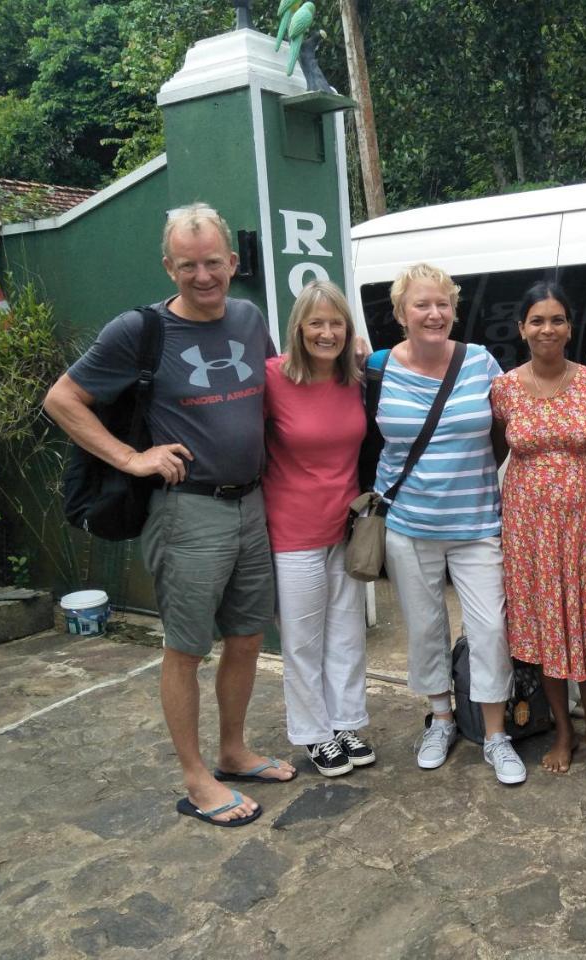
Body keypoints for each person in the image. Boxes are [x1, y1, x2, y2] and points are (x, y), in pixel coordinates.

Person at [44, 203, 294, 828]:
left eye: (213, 263)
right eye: (188, 266)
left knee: (246, 637)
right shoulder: (138, 331)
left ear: (233, 263)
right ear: (169, 266)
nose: (203, 276)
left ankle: (233, 750)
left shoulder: (248, 316)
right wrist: (131, 457)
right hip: (188, 511)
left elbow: (273, 388)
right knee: (187, 647)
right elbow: (62, 399)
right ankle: (196, 778)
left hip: (252, 501)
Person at [372, 263, 525, 785]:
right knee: (425, 628)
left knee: (490, 629)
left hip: (477, 521)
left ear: (454, 309)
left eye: (442, 304)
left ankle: (495, 733)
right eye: (421, 304)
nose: (433, 314)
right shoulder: (376, 368)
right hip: (409, 522)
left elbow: (506, 426)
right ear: (400, 313)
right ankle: (440, 718)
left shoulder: (481, 363)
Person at [491, 282, 586, 777]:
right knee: (547, 629)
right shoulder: (505, 389)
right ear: (521, 329)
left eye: (556, 319)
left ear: (569, 327)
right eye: (536, 320)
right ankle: (564, 731)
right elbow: (495, 454)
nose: (547, 329)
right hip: (528, 529)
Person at [262, 280, 374, 778]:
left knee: (347, 634)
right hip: (293, 530)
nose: (327, 333)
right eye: (317, 323)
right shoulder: (272, 378)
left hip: (346, 525)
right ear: (298, 328)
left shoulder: (355, 379)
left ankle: (347, 721)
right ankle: (314, 733)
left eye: (336, 323)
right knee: (304, 639)